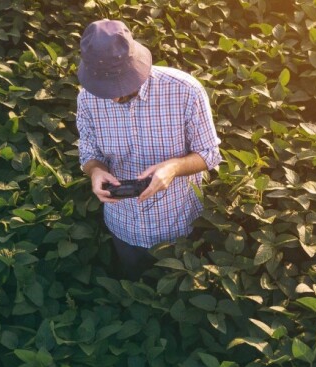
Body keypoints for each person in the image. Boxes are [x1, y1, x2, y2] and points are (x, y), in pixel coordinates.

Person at [75, 19, 222, 280]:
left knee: (181, 296)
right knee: (135, 285)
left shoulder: (185, 91)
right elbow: (89, 153)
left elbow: (209, 153)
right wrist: (95, 171)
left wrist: (173, 167)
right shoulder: (86, 99)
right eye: (105, 89)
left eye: (120, 85)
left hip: (179, 225)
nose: (113, 97)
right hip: (124, 226)